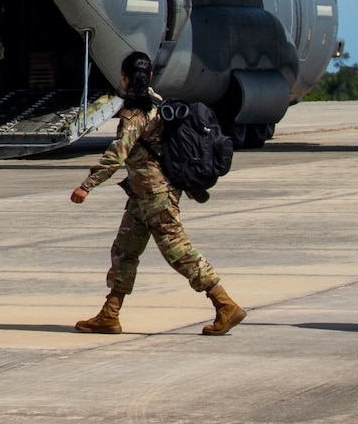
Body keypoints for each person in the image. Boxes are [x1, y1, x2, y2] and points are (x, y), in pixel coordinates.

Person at [69, 51, 243, 336]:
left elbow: (117, 154)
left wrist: (86, 185)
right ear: (149, 77)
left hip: (155, 195)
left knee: (179, 252)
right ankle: (109, 314)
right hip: (142, 196)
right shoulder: (158, 103)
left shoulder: (135, 113)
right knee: (124, 251)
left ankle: (225, 304)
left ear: (124, 78)